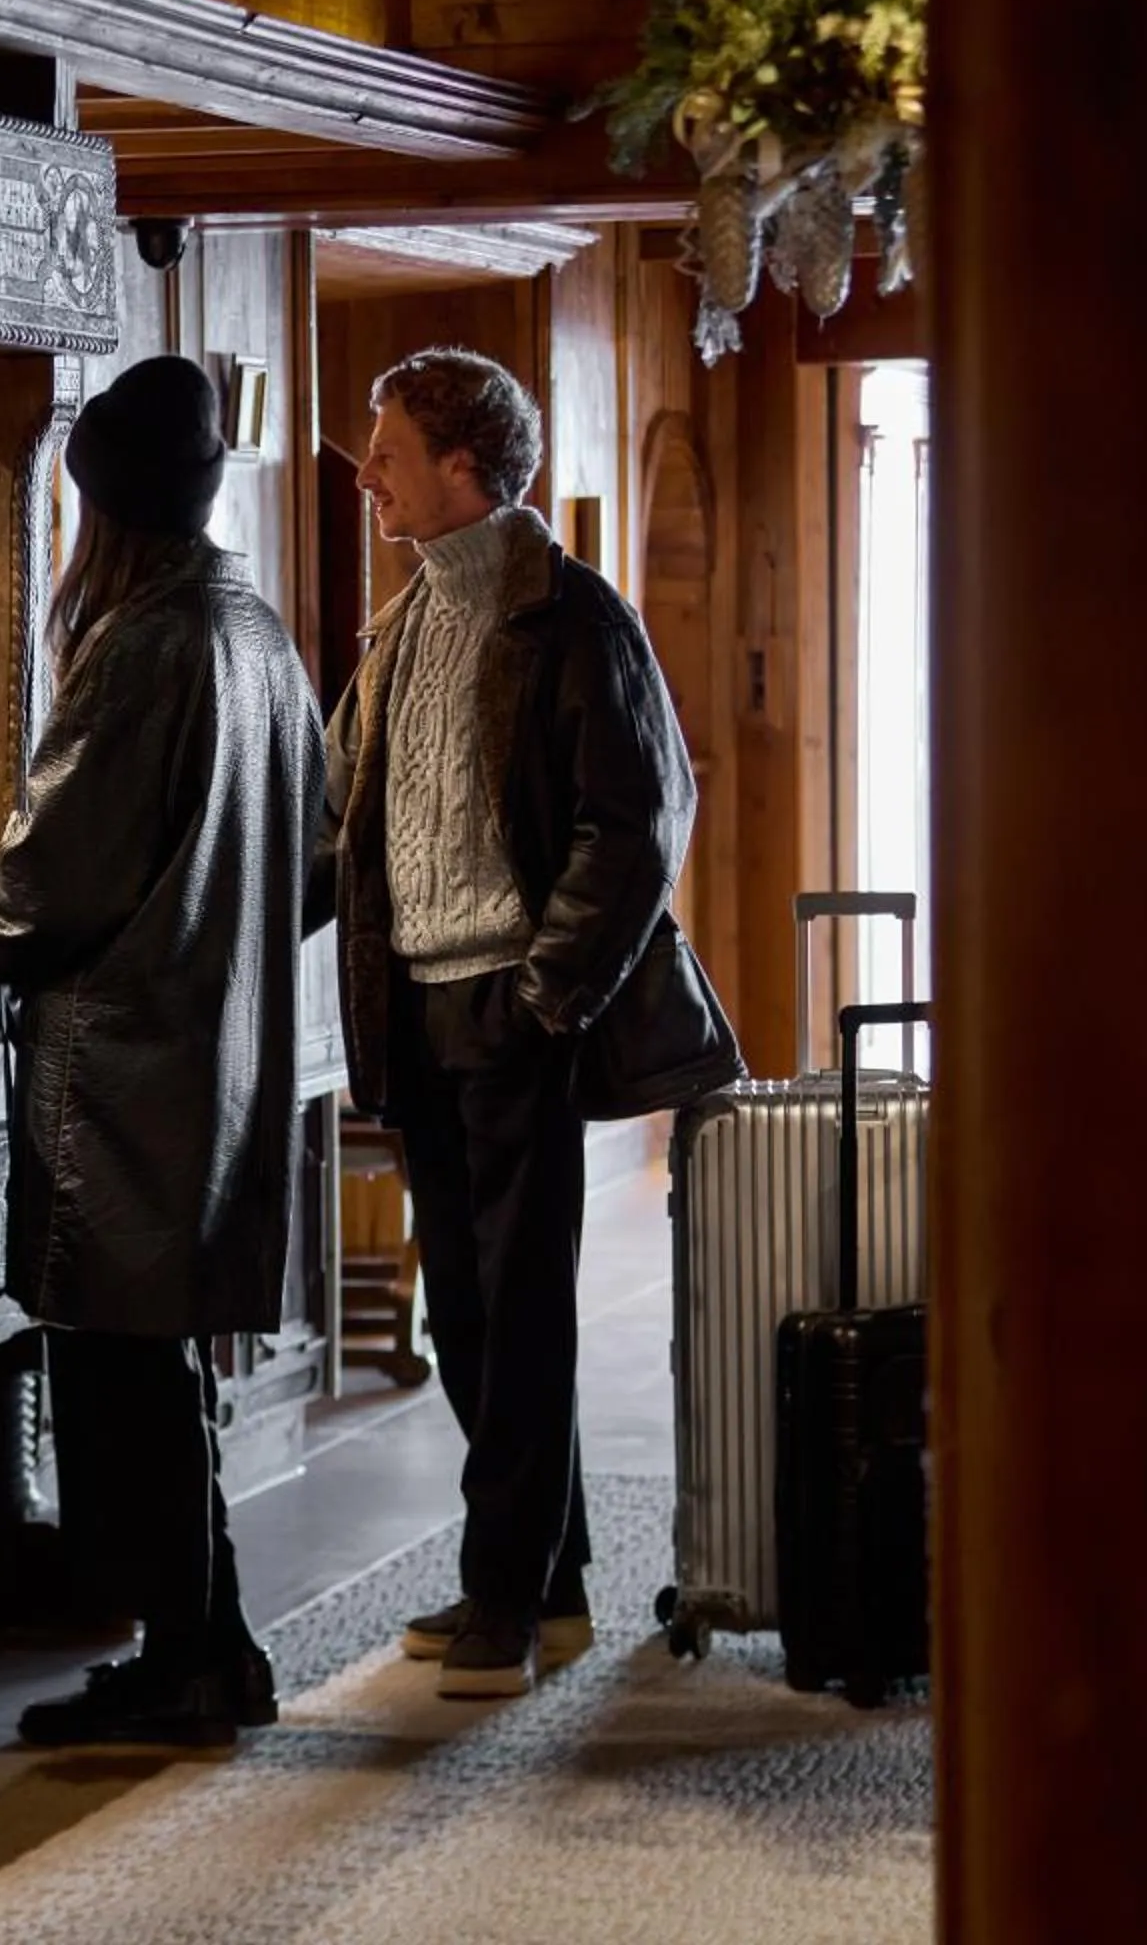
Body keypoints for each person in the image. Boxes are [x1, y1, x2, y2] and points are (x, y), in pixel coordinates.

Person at [0, 356, 327, 1748]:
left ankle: (186, 1663)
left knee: (124, 1386)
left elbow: (47, 887)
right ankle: (213, 1650)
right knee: (165, 1379)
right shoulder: (255, 626)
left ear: (100, 509)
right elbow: (314, 865)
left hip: (126, 1091)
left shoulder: (141, 643)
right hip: (224, 1066)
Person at [320, 348, 741, 1700]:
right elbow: (345, 825)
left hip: (517, 1009)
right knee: (465, 1313)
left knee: (521, 1309)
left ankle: (507, 1589)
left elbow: (639, 827)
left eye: (388, 448)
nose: (367, 471)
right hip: (417, 1011)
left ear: (463, 466)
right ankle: (544, 1584)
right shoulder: (397, 628)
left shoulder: (577, 619)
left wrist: (546, 994)